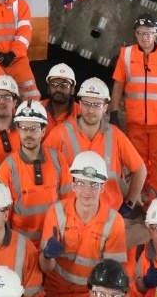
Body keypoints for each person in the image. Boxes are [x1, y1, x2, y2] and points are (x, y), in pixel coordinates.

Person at [39, 152, 127, 297]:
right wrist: (47, 255)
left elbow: (111, 276)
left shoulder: (113, 221)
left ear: (103, 187)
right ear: (73, 185)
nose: (87, 190)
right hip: (54, 295)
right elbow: (45, 267)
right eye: (81, 183)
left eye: (94, 184)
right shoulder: (57, 212)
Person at [110, 16, 157, 205]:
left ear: (156, 35)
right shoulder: (126, 55)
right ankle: (145, 205)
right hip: (135, 123)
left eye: (149, 33)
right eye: (141, 33)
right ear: (136, 34)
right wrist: (113, 113)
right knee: (139, 165)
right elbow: (118, 85)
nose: (145, 37)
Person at [46, 77, 146, 216]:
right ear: (79, 104)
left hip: (108, 215)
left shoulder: (115, 136)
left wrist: (129, 203)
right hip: (71, 215)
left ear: (105, 107)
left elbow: (140, 169)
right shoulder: (60, 134)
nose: (91, 110)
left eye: (96, 105)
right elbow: (43, 171)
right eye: (86, 103)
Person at [0, 99, 71, 240]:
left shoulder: (58, 159)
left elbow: (70, 201)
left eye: (34, 129)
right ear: (17, 130)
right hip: (22, 243)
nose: (28, 134)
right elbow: (3, 217)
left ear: (43, 131)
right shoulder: (7, 168)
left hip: (56, 240)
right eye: (24, 128)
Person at [42, 62, 79, 130]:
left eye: (64, 85)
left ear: (72, 89)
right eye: (54, 84)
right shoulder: (38, 108)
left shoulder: (81, 113)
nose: (58, 89)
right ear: (48, 88)